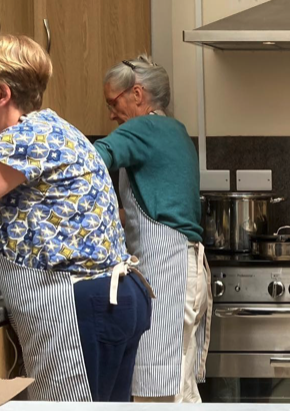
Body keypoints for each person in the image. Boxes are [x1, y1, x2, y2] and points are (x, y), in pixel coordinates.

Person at [0, 35, 153, 402]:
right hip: (109, 299)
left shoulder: (24, 141)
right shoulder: (51, 130)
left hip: (79, 307)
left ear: (1, 94)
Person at [94, 55, 211, 403]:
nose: (112, 114)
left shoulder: (142, 129)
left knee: (155, 395)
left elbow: (92, 160)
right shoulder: (175, 131)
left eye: (113, 103)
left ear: (138, 94)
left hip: (167, 275)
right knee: (182, 391)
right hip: (189, 271)